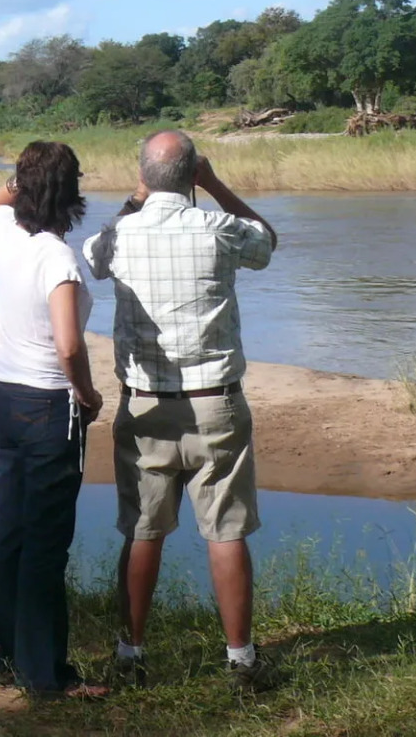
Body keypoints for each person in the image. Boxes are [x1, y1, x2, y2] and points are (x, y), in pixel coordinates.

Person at [84, 130, 280, 692]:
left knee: (143, 531)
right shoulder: (218, 227)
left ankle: (129, 654)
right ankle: (240, 660)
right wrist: (215, 185)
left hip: (144, 405)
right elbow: (266, 242)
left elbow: (93, 257)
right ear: (193, 173)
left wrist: (133, 201)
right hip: (215, 402)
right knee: (226, 532)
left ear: (143, 176)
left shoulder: (121, 233)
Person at [0, 141, 107, 700]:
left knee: (10, 528)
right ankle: (46, 676)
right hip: (49, 404)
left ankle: (1, 654)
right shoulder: (58, 257)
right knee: (46, 542)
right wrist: (87, 393)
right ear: (72, 193)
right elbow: (68, 344)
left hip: (4, 395)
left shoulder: (9, 232)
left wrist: (21, 179)